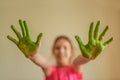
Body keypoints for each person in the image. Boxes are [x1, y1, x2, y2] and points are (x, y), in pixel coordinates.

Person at [7, 20, 113, 80]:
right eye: (57, 48)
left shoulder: (75, 68)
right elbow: (43, 63)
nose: (61, 51)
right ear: (53, 51)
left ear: (72, 51)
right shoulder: (50, 70)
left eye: (65, 48)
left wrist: (87, 57)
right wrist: (33, 55)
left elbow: (78, 61)